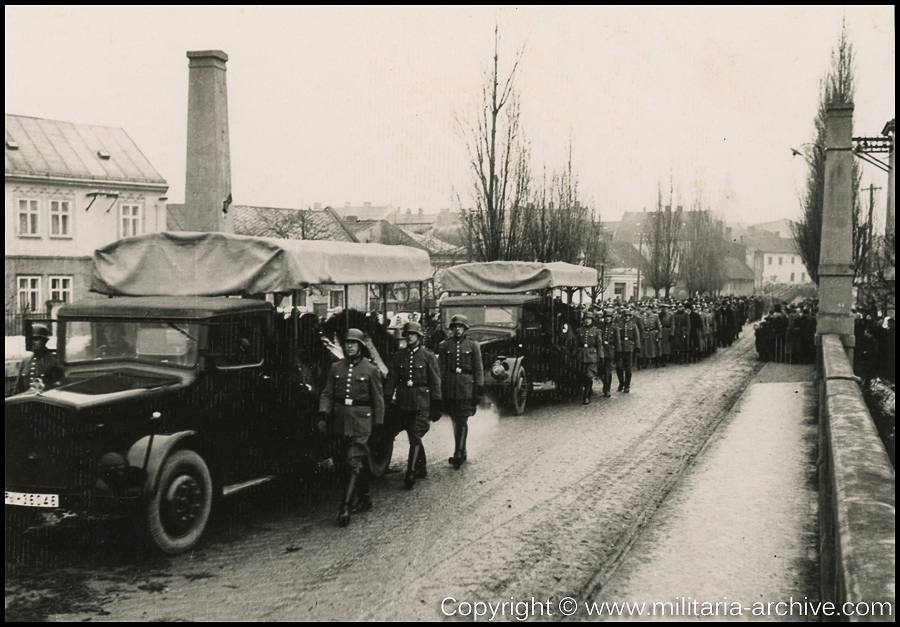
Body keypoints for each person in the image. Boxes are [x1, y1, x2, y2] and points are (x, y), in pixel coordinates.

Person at [318, 328, 385, 527]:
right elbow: (328, 393)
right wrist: (323, 414)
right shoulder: (336, 367)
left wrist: (378, 425)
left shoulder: (371, 370)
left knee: (353, 461)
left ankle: (345, 507)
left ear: (361, 347)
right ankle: (364, 497)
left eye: (353, 344)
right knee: (346, 463)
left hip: (361, 421)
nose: (349, 347)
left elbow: (378, 400)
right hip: (340, 421)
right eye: (347, 343)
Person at [384, 321, 442, 490]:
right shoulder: (399, 356)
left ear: (419, 337)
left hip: (421, 400)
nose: (409, 337)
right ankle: (421, 465)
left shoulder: (428, 356)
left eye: (413, 334)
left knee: (415, 434)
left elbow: (435, 382)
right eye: (407, 334)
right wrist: (388, 396)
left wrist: (437, 403)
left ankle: (411, 471)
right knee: (412, 434)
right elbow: (392, 378)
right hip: (403, 401)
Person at [438, 315, 483, 468]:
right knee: (454, 420)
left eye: (460, 326)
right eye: (455, 326)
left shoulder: (473, 345)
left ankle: (458, 452)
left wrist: (478, 390)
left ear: (464, 329)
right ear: (451, 329)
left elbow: (478, 369)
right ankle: (462, 450)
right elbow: (440, 370)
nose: (457, 329)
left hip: (466, 389)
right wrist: (440, 390)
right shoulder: (444, 345)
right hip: (450, 389)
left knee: (462, 420)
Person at [15, 324, 63, 394]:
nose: (33, 343)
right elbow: (18, 387)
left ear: (44, 341)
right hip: (26, 402)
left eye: (36, 339)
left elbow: (60, 387)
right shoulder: (25, 361)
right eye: (31, 340)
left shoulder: (54, 361)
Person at [575, 312, 602, 404]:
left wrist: (601, 356)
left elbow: (599, 345)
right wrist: (575, 353)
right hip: (582, 355)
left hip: (592, 356)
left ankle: (587, 396)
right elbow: (577, 343)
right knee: (583, 376)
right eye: (586, 319)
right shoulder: (579, 330)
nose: (587, 321)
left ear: (592, 321)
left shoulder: (596, 331)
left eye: (589, 319)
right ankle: (587, 391)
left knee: (589, 376)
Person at [615, 308, 641, 393]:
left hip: (629, 347)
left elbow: (637, 336)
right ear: (622, 317)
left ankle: (627, 385)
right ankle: (621, 383)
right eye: (625, 316)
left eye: (628, 316)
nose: (627, 317)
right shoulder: (618, 325)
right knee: (619, 367)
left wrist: (637, 346)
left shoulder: (633, 325)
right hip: (620, 347)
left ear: (630, 317)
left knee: (628, 368)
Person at [597, 310, 620, 397]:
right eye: (606, 317)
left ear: (611, 318)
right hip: (601, 350)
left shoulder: (615, 328)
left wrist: (618, 352)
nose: (607, 319)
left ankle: (607, 389)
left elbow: (617, 341)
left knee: (607, 371)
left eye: (609, 317)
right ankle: (605, 384)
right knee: (600, 371)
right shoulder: (600, 328)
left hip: (610, 350)